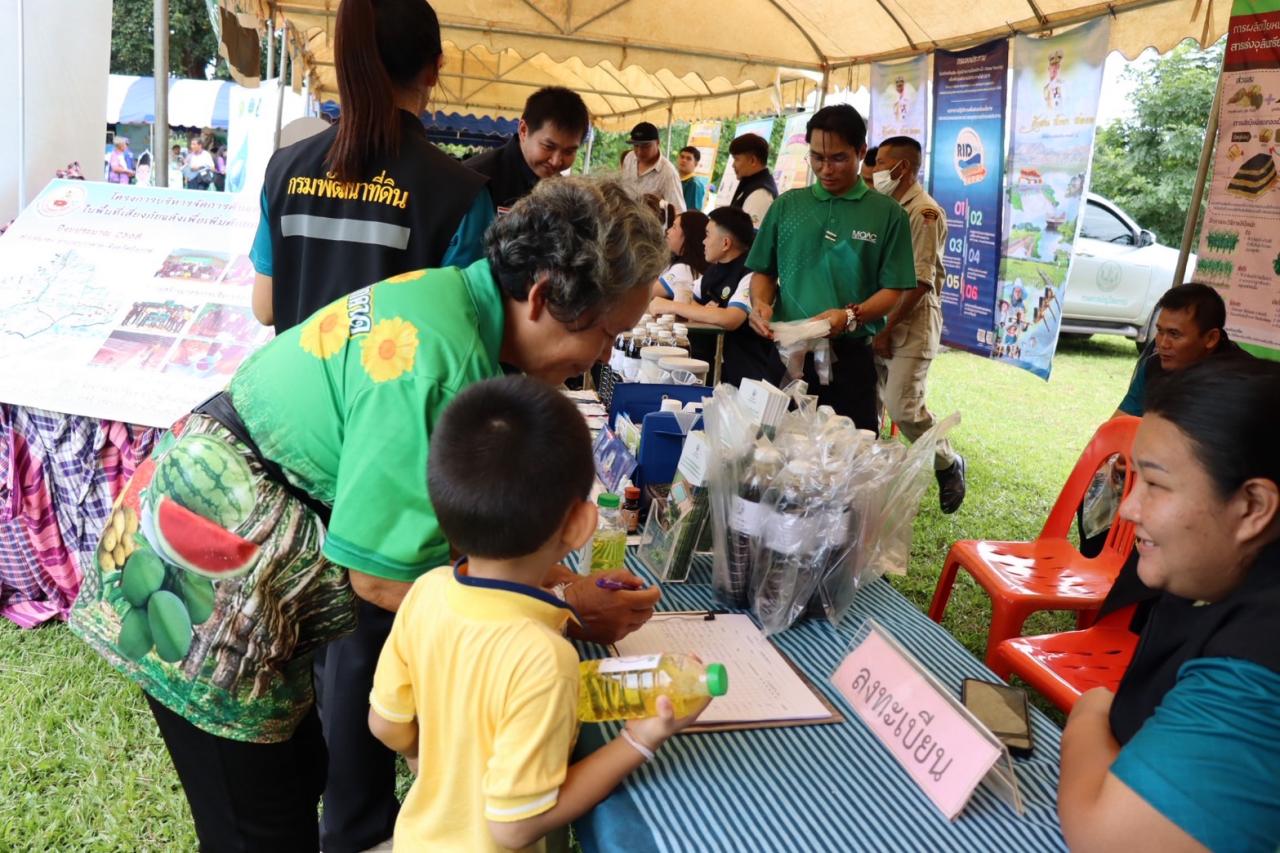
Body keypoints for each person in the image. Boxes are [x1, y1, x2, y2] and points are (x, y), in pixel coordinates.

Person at [70, 176, 667, 852]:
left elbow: (466, 543)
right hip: (205, 581)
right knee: (257, 827)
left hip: (238, 564)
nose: (604, 358)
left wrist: (559, 583)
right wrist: (558, 609)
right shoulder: (433, 362)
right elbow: (382, 579)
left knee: (294, 779)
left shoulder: (452, 307)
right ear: (542, 296)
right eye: (610, 334)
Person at [368, 375, 708, 851]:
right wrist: (638, 740)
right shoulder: (545, 658)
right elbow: (514, 826)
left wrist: (435, 763)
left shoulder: (426, 592)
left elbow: (386, 724)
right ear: (581, 525)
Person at [1057, 358, 1280, 853]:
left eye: (1155, 485)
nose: (1128, 508)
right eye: (1134, 480)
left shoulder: (1262, 656)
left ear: (1253, 508)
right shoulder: (1208, 572)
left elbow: (1104, 837)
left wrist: (1091, 711)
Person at [248, 0, 490, 337]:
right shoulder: (462, 195)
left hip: (299, 371)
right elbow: (464, 330)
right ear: (434, 69)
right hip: (400, 371)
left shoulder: (284, 169)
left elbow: (265, 308)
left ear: (345, 62)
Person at [745, 105, 917, 430]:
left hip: (850, 360)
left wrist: (850, 315)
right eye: (817, 157)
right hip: (787, 354)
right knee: (772, 446)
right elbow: (764, 271)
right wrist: (760, 304)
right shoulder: (787, 206)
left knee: (850, 451)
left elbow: (894, 288)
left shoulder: (888, 214)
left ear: (861, 152)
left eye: (838, 158)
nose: (825, 169)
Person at [869, 136, 966, 513]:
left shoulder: (924, 212)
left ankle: (947, 461)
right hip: (880, 317)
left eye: (881, 163)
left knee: (903, 406)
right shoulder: (887, 207)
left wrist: (886, 329)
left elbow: (920, 281)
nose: (875, 170)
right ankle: (865, 476)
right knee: (869, 401)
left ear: (903, 167)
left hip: (911, 323)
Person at [651, 206, 782, 387]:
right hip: (711, 370)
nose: (703, 241)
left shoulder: (751, 274)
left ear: (725, 243)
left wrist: (671, 306)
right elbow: (688, 300)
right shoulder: (714, 270)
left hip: (747, 376)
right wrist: (708, 312)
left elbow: (731, 319)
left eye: (707, 235)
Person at [1115, 284, 1247, 418]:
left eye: (1174, 334)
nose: (1163, 344)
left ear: (1211, 338)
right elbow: (1119, 423)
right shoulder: (1153, 367)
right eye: (1160, 331)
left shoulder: (1240, 386)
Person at [465, 86, 589, 215]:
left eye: (568, 152)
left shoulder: (565, 194)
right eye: (548, 146)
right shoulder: (475, 181)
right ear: (523, 130)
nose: (556, 161)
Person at [622, 122, 685, 212]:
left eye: (645, 146)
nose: (639, 151)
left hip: (650, 220)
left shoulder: (668, 173)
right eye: (636, 146)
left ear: (658, 142)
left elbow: (678, 211)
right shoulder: (629, 158)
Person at [652, 210, 709, 304]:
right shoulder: (685, 265)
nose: (668, 231)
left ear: (688, 235)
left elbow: (648, 291)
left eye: (674, 227)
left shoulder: (684, 270)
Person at [727, 133, 777, 228]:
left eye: (736, 159)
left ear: (753, 161)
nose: (733, 165)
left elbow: (750, 234)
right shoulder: (751, 184)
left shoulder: (760, 193)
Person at [677, 145, 707, 212]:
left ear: (695, 164)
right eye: (682, 157)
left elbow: (691, 212)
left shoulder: (694, 184)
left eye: (688, 159)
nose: (684, 160)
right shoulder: (675, 179)